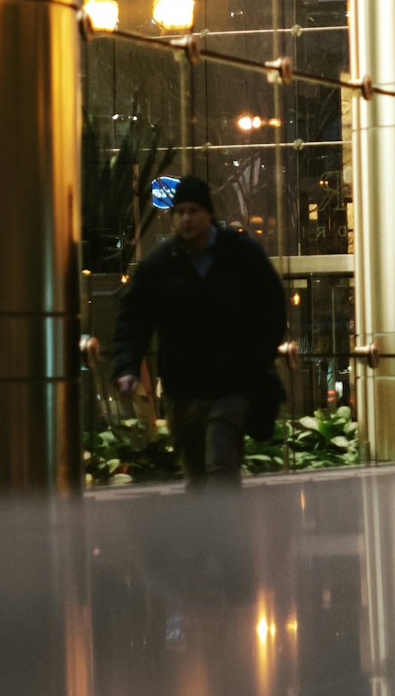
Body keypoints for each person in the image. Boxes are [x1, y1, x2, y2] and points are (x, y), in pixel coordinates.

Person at [111, 177, 287, 487]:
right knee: (195, 475)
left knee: (220, 465)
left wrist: (256, 359)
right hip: (184, 388)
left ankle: (224, 532)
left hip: (230, 385)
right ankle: (211, 533)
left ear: (208, 214)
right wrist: (127, 365)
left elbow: (271, 306)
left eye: (193, 210)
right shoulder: (162, 264)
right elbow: (134, 317)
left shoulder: (239, 253)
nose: (186, 219)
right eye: (179, 212)